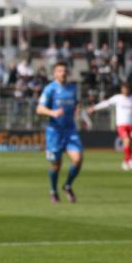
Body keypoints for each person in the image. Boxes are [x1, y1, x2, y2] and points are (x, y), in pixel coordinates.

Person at [36, 62, 84, 203]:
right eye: (59, 70)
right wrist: (52, 112)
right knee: (56, 164)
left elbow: (76, 104)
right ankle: (53, 190)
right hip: (54, 132)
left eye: (64, 70)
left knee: (78, 159)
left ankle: (67, 185)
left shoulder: (72, 88)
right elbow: (39, 109)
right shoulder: (50, 89)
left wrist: (78, 112)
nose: (62, 73)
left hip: (70, 130)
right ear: (55, 73)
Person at [88, 82, 132, 171]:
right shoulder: (118, 98)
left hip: (131, 125)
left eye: (126, 88)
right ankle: (129, 161)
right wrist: (94, 108)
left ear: (129, 89)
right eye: (123, 88)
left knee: (130, 143)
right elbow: (106, 103)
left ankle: (126, 162)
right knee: (126, 140)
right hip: (121, 125)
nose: (125, 90)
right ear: (121, 89)